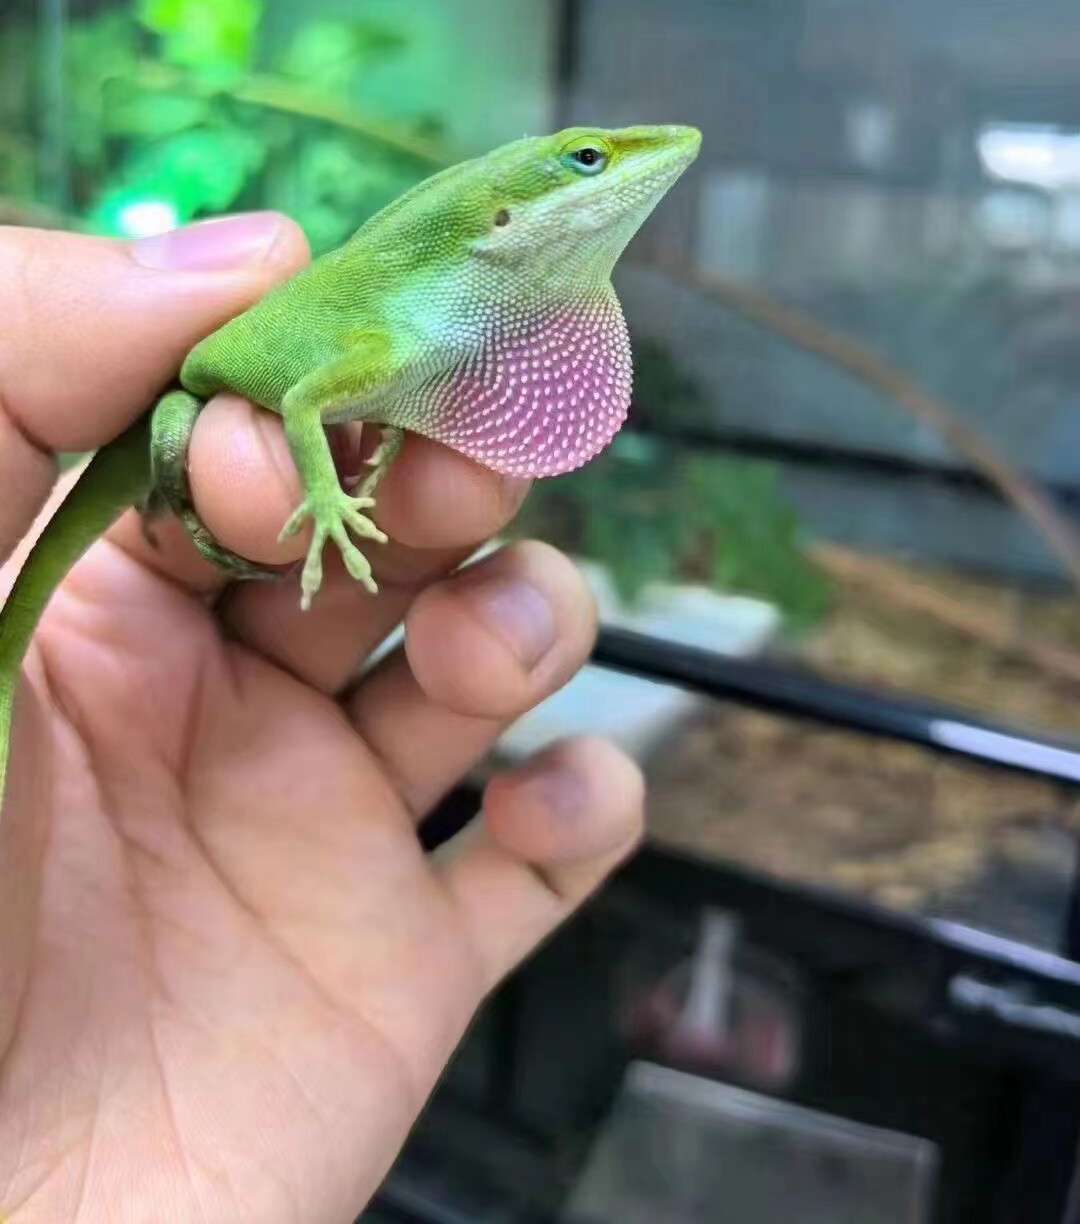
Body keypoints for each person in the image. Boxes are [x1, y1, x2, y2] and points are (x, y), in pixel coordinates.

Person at [0, 212, 643, 1221]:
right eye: (588, 163)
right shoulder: (389, 332)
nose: (629, 165)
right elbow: (304, 398)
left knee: (460, 520)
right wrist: (329, 502)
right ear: (505, 215)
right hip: (171, 433)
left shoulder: (415, 332)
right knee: (189, 442)